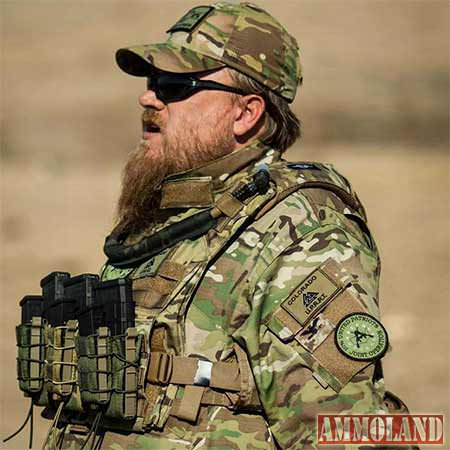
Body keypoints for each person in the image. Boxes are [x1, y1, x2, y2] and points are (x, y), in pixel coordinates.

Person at [40, 2, 414, 449]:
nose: (149, 97)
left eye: (176, 85)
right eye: (151, 81)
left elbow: (345, 436)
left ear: (245, 113)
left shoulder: (302, 235)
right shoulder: (180, 216)